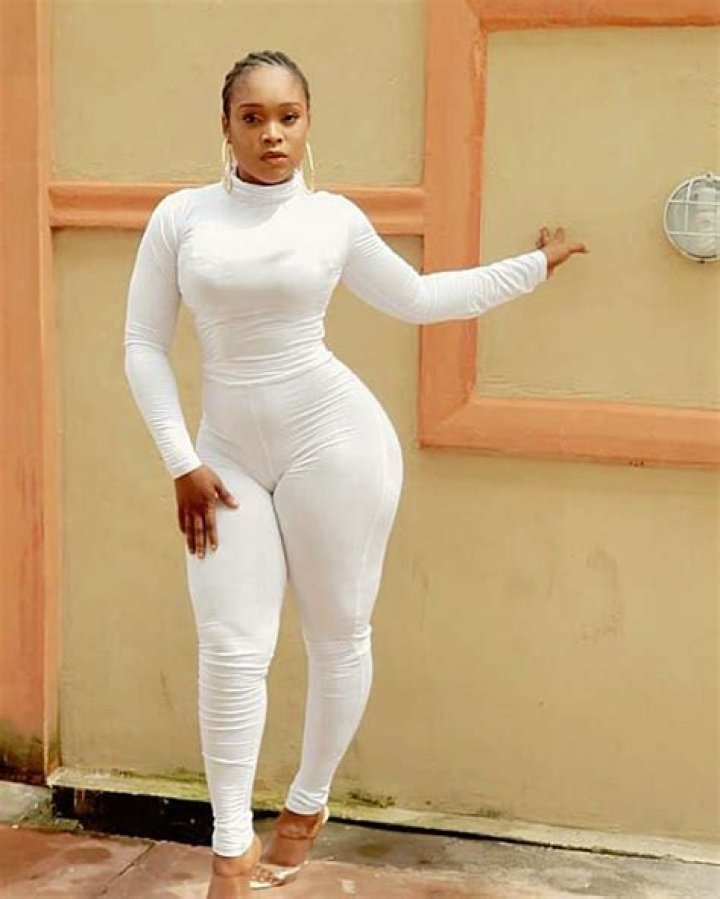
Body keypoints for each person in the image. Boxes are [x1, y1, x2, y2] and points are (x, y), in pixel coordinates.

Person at [123, 49, 588, 898]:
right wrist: (181, 460)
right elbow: (143, 344)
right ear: (225, 125)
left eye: (288, 116)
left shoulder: (331, 219)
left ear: (308, 123)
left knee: (337, 633)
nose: (272, 133)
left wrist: (533, 268)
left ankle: (306, 805)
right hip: (221, 458)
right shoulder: (181, 218)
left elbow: (418, 298)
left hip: (334, 441)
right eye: (253, 117)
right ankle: (230, 853)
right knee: (231, 646)